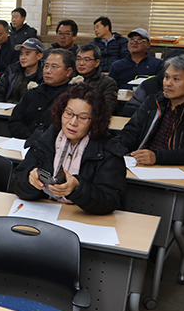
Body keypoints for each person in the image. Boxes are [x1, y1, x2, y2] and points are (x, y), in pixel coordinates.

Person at [13, 84, 125, 215]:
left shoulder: (107, 150)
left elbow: (110, 201)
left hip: (83, 218)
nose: (72, 122)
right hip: (44, 213)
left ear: (95, 121)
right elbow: (16, 183)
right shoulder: (45, 138)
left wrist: (78, 187)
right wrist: (30, 181)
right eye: (68, 113)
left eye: (82, 118)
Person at [111, 55, 184, 167]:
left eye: (176, 79)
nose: (168, 83)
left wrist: (157, 157)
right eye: (166, 77)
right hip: (142, 165)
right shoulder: (153, 102)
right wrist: (120, 149)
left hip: (179, 172)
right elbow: (131, 131)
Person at [9, 49, 76, 141]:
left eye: (54, 67)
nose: (48, 71)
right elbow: (15, 121)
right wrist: (30, 138)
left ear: (68, 72)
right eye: (46, 66)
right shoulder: (32, 93)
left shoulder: (74, 97)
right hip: (25, 143)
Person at [0, 37, 45, 103]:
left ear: (39, 56)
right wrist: (0, 106)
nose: (23, 58)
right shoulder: (12, 70)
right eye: (21, 54)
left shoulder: (45, 74)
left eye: (27, 54)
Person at [72, 43, 118, 113]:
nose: (81, 63)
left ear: (97, 63)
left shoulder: (108, 83)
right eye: (78, 59)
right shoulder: (69, 78)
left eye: (86, 60)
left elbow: (108, 108)